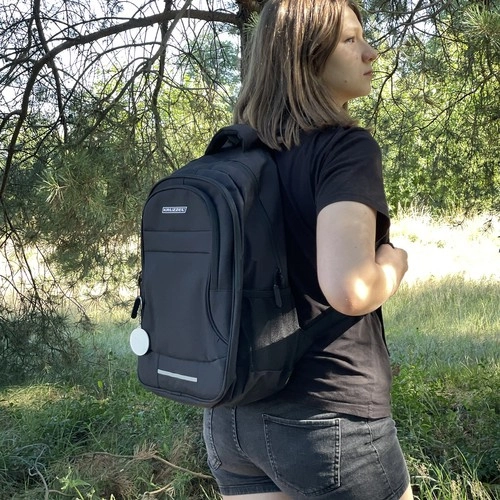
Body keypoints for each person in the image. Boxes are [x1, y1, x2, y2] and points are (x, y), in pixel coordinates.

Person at [202, 0, 413, 498]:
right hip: (327, 419)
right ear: (306, 55)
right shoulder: (343, 148)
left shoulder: (236, 154)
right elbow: (350, 289)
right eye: (351, 40)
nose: (371, 53)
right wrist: (394, 263)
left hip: (230, 417)